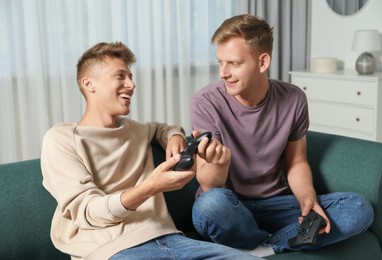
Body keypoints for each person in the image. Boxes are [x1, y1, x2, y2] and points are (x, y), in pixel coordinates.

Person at [41, 42, 263, 260]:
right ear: (89, 84)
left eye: (131, 77)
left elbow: (164, 128)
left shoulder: (135, 130)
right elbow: (87, 212)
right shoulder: (61, 139)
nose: (131, 84)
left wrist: (174, 136)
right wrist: (150, 187)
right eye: (120, 76)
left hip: (174, 240)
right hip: (111, 250)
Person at [190, 14, 374, 256]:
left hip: (276, 204)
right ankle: (277, 241)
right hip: (231, 206)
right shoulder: (205, 102)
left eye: (233, 63)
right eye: (220, 63)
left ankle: (264, 247)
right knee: (210, 205)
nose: (223, 73)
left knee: (358, 207)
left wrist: (308, 200)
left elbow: (296, 161)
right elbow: (209, 184)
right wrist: (219, 164)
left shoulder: (294, 98)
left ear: (263, 62)